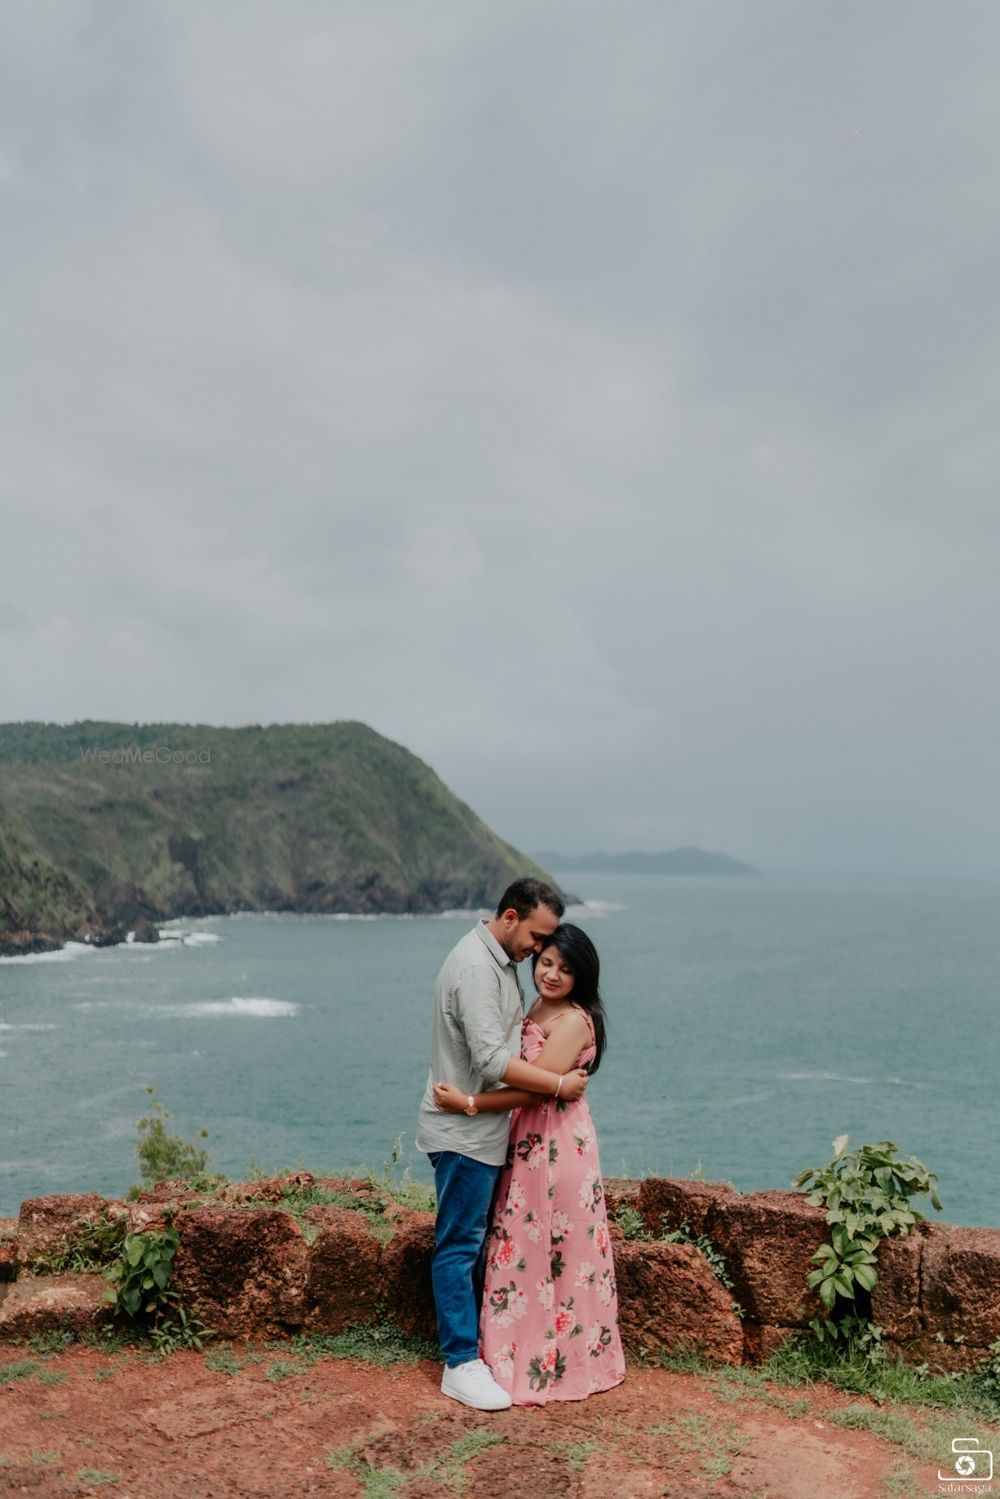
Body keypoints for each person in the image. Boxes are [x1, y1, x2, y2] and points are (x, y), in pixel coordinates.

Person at [415, 877, 591, 1412]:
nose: (540, 950)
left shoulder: (500, 966)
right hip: (465, 1135)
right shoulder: (476, 968)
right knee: (460, 1245)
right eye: (538, 937)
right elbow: (492, 1062)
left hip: (484, 1133)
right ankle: (460, 1363)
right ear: (510, 917)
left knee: (472, 1243)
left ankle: (477, 1351)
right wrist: (559, 1085)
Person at [433, 922, 625, 1405]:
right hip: (528, 1138)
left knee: (554, 1248)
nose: (552, 974)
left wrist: (470, 1103)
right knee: (520, 1240)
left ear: (583, 975)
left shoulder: (576, 1020)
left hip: (556, 1144)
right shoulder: (536, 1005)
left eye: (565, 968)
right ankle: (514, 1354)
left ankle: (554, 1365)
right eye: (546, 962)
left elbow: (535, 1085)